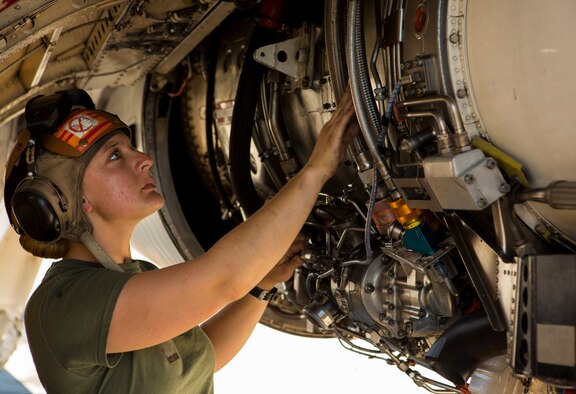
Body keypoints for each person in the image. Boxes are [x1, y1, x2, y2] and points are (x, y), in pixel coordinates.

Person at [3, 87, 358, 393]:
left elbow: (202, 358)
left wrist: (262, 286)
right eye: (115, 156)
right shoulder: (63, 304)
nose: (143, 160)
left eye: (131, 149)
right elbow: (221, 280)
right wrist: (317, 169)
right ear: (71, 201)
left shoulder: (137, 276)